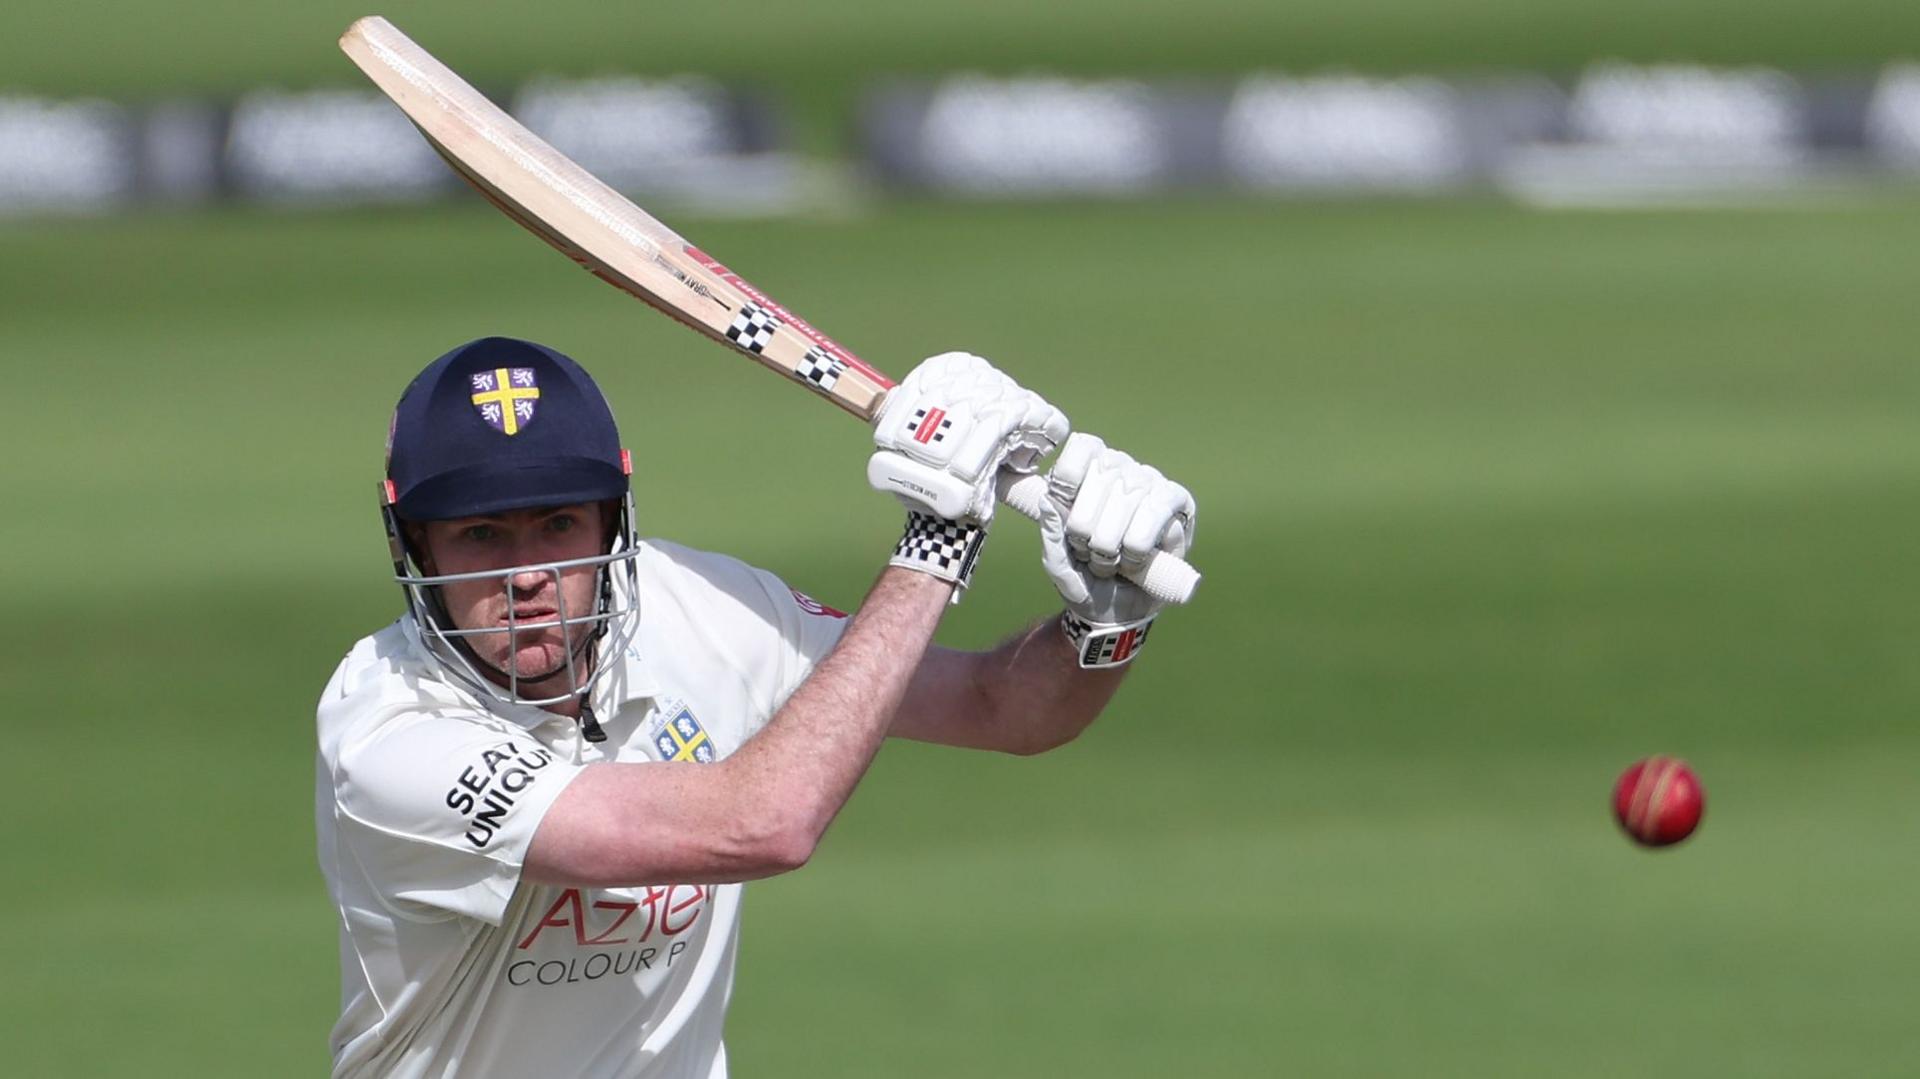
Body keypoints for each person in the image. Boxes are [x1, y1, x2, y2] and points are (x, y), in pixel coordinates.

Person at [314, 336, 1196, 1078]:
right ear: (412, 545)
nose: (527, 574)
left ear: (611, 521)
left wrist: (1109, 616)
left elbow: (1003, 707)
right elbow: (762, 823)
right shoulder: (390, 735)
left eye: (557, 524)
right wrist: (935, 543)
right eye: (480, 535)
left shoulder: (704, 605)